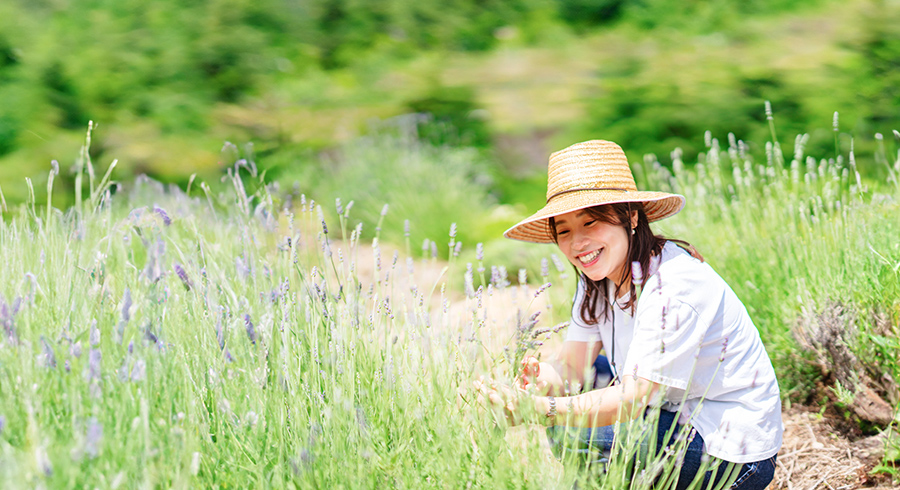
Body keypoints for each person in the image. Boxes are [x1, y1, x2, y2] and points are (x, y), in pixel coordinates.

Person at [475, 140, 782, 489]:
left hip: (730, 451)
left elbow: (633, 400)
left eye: (591, 222)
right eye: (564, 231)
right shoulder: (598, 279)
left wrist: (542, 410)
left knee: (574, 430)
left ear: (631, 216)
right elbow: (573, 367)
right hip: (672, 414)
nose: (577, 244)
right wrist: (536, 383)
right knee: (585, 391)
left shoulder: (674, 285)